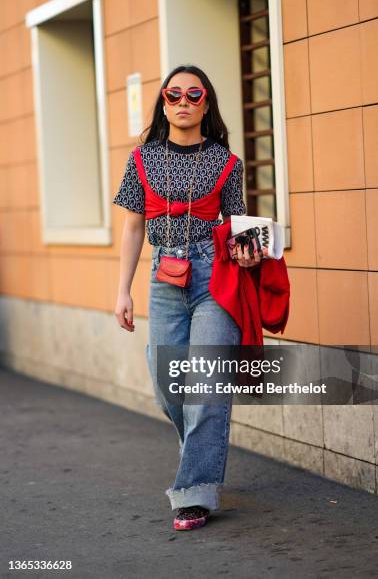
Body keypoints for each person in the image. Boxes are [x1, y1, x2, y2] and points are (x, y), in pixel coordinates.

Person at [112, 64, 264, 531]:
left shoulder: (227, 162)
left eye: (193, 95)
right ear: (162, 102)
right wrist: (123, 291)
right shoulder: (141, 160)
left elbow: (239, 226)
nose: (182, 102)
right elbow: (134, 227)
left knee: (205, 388)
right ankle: (198, 453)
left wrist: (250, 254)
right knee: (167, 387)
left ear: (206, 103)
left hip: (215, 278)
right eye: (173, 94)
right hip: (163, 277)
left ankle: (194, 493)